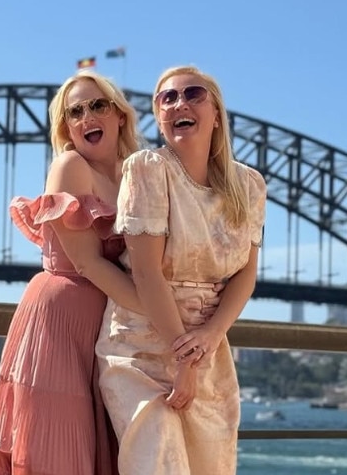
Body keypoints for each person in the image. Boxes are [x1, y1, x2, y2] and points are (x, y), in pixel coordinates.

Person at [0, 70, 224, 475]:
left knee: (106, 447)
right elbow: (86, 262)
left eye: (98, 106)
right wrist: (172, 328)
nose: (86, 117)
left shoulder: (136, 172)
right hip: (60, 321)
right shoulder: (70, 165)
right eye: (74, 112)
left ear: (120, 116)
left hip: (110, 326)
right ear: (67, 127)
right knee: (58, 449)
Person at [96, 65, 267, 474]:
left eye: (193, 94)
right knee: (157, 462)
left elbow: (245, 274)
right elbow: (147, 273)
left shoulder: (249, 185)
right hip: (143, 344)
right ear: (158, 115)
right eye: (167, 98)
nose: (179, 104)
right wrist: (183, 362)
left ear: (217, 114)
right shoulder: (147, 168)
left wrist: (210, 335)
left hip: (208, 346)